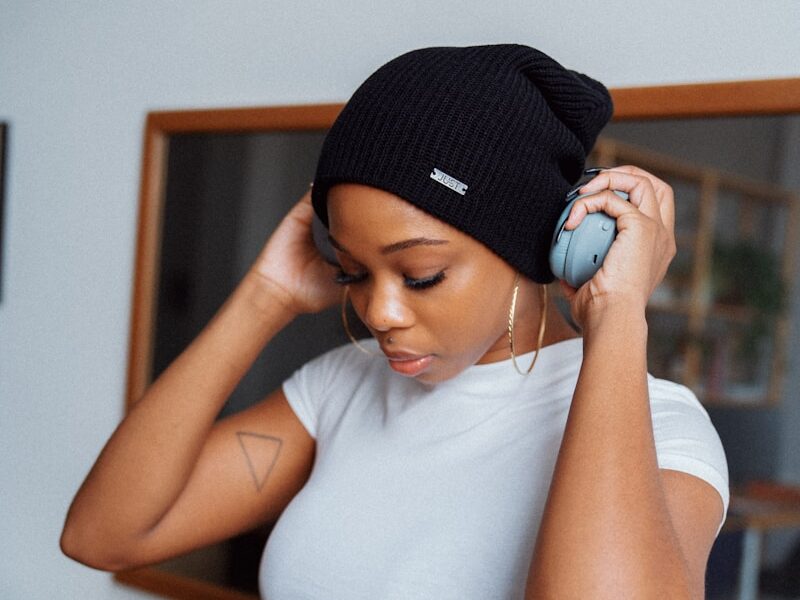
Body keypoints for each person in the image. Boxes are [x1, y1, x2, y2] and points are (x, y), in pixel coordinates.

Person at [61, 44, 728, 599]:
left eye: (421, 276)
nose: (378, 313)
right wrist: (265, 295)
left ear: (538, 247)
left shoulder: (662, 427)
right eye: (352, 270)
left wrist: (616, 316)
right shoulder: (337, 390)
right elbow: (103, 535)